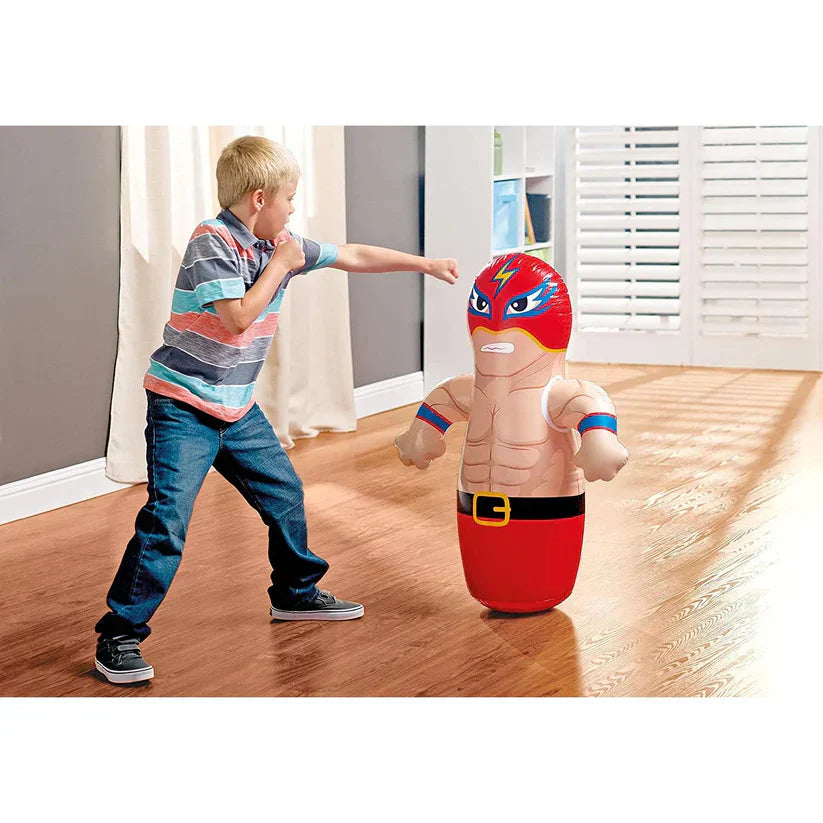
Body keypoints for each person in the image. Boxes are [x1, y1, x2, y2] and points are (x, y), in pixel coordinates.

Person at [94, 135, 459, 684]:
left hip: (236, 408)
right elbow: (238, 317)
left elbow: (353, 255)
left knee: (285, 495)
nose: (293, 209)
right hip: (182, 406)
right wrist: (284, 263)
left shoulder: (279, 243)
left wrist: (426, 264)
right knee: (167, 520)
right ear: (259, 199)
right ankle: (119, 634)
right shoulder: (212, 240)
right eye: (289, 198)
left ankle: (295, 591)